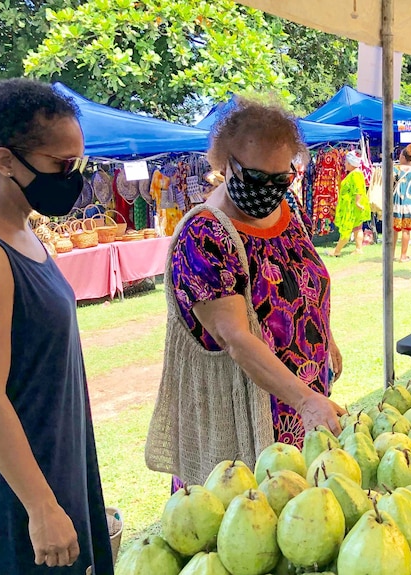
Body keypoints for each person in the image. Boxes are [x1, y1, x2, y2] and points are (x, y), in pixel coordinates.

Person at [0, 79, 113, 574]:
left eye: (77, 163)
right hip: (14, 491)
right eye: (61, 164)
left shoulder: (22, 230)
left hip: (53, 459)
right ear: (6, 161)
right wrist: (41, 507)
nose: (72, 176)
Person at [151, 98, 345, 487]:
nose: (268, 190)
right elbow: (235, 337)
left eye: (281, 178)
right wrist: (304, 400)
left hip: (302, 408)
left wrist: (327, 340)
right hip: (247, 418)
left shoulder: (291, 212)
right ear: (224, 164)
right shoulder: (204, 235)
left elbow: (302, 285)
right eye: (256, 178)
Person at [331, 151, 371, 257]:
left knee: (346, 228)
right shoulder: (355, 173)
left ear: (350, 163)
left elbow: (358, 190)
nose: (345, 164)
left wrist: (357, 202)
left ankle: (337, 251)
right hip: (353, 205)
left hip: (352, 207)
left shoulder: (356, 174)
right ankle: (358, 249)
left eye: (346, 162)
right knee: (357, 227)